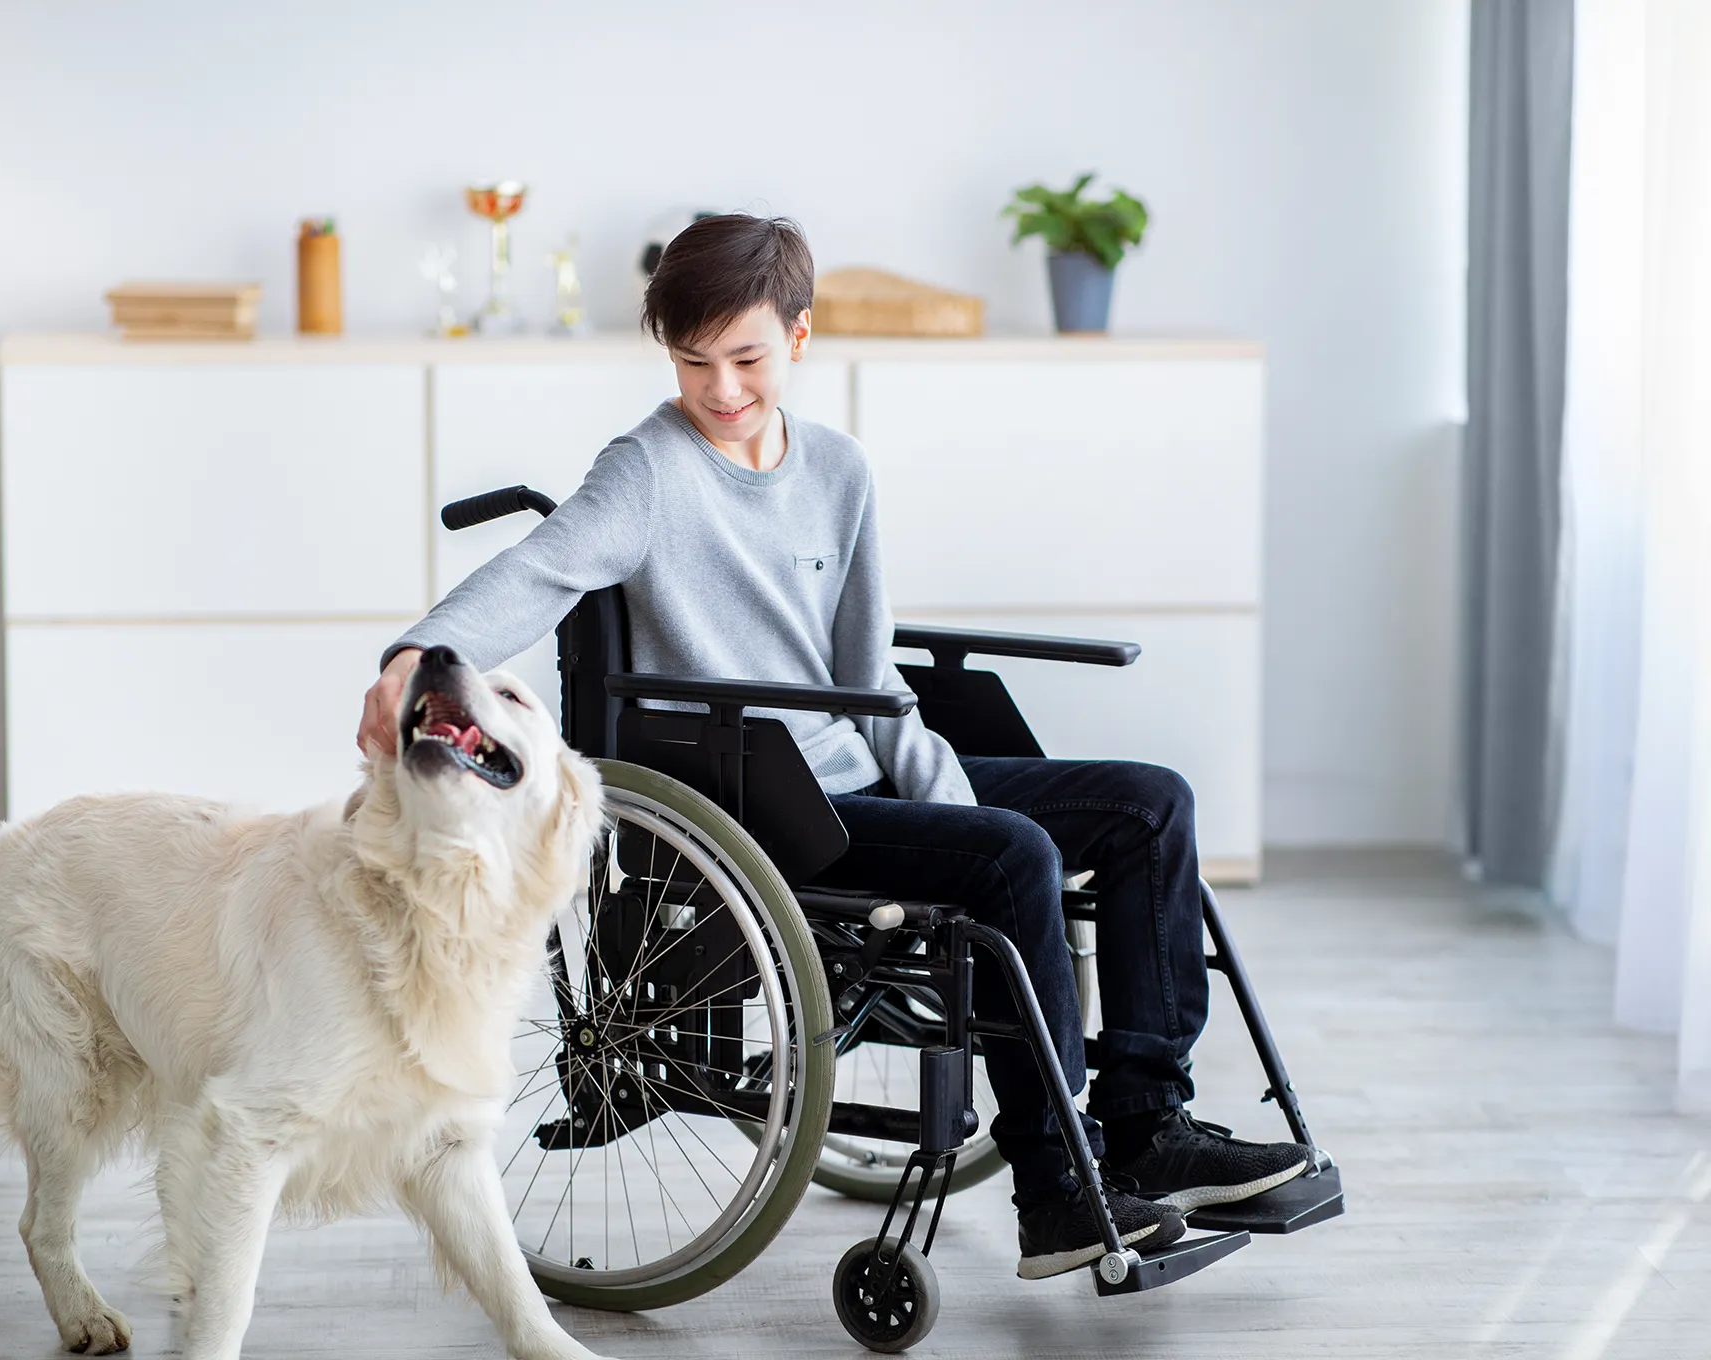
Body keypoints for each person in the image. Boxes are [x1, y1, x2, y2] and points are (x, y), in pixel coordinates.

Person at [357, 213, 1308, 1279]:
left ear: (799, 340)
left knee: (1150, 804)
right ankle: (1052, 1188)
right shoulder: (645, 472)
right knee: (1012, 858)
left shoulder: (838, 472)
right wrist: (418, 655)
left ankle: (1145, 1124)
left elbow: (867, 682)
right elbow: (535, 573)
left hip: (857, 773)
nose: (720, 389)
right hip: (762, 799)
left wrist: (942, 790)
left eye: (747, 359)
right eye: (694, 362)